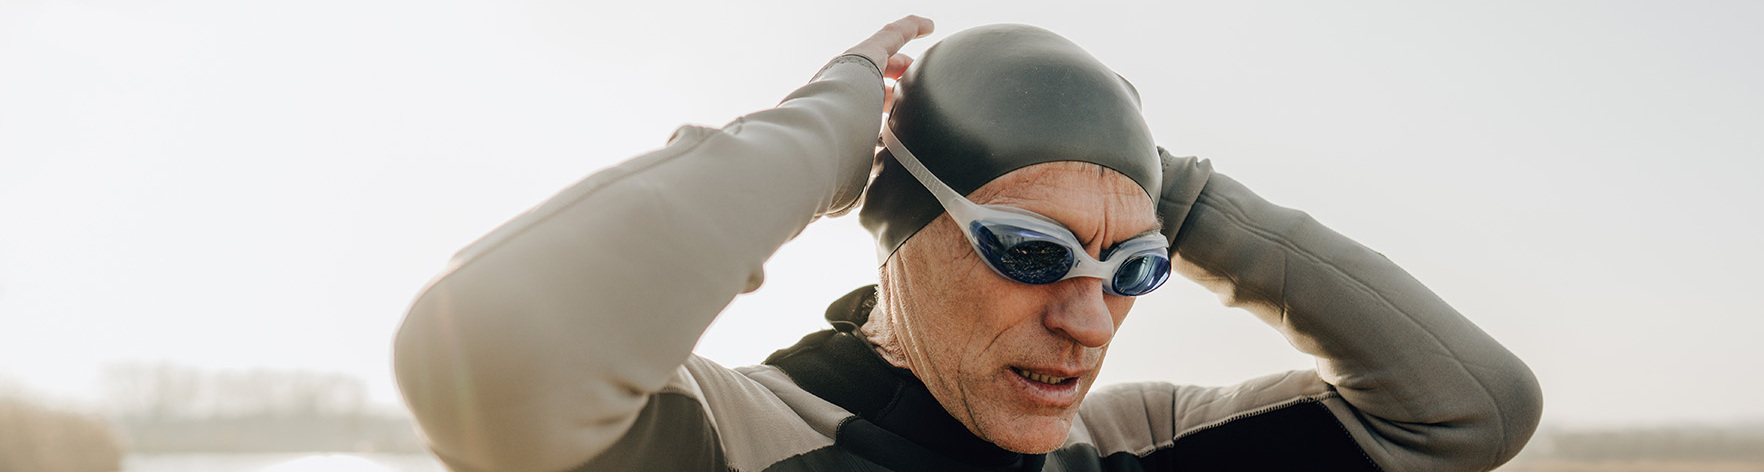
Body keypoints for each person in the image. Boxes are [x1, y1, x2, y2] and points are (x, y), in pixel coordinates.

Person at [394, 15, 1541, 472]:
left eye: (1131, 268)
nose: (1089, 322)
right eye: (1030, 252)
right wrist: (828, 122)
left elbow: (1470, 408)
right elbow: (496, 355)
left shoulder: (1130, 442)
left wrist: (1165, 191)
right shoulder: (727, 437)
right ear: (893, 234)